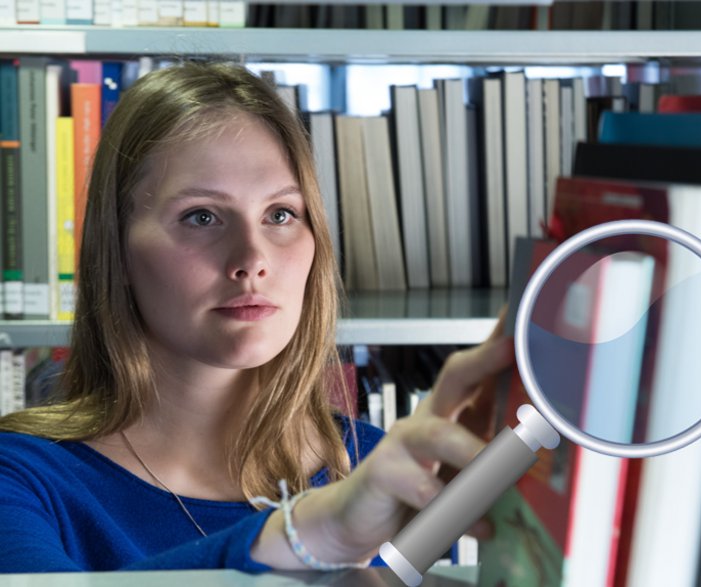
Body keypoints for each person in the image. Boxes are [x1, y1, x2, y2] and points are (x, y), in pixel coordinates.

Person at [0, 60, 511, 573]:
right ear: (116, 250)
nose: (252, 258)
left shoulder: (383, 470)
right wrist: (311, 533)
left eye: (280, 215)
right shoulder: (21, 478)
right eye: (201, 216)